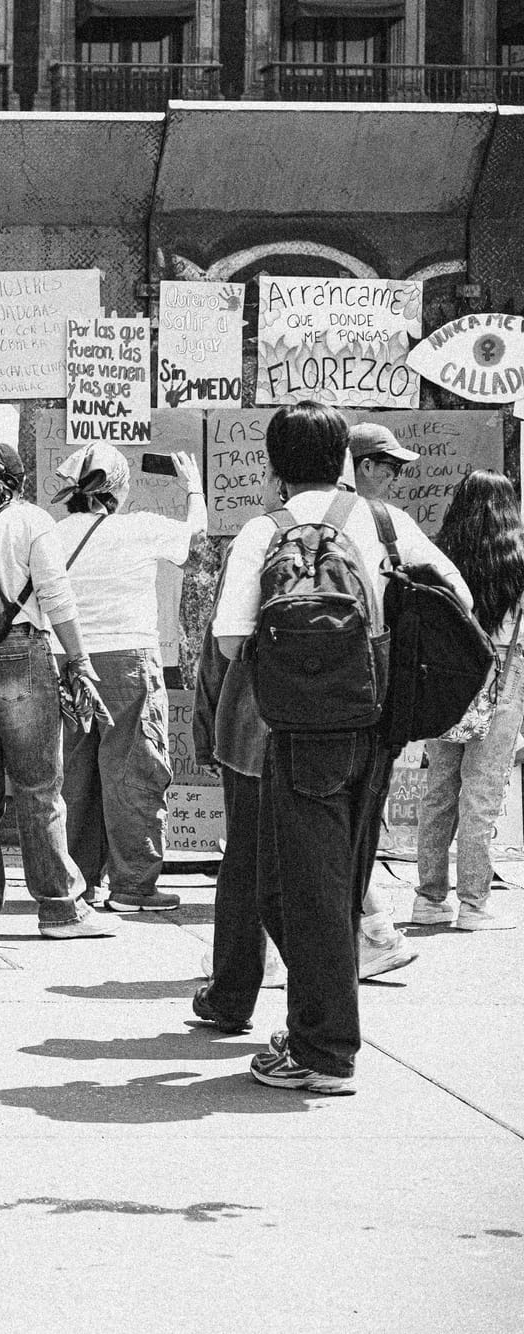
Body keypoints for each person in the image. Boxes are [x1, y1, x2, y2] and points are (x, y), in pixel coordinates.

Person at [206, 402, 468, 1095]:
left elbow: (231, 640)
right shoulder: (386, 523)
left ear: (275, 463)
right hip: (376, 727)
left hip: (298, 732)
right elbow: (457, 598)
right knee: (336, 883)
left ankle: (323, 1052)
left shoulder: (266, 531)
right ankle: (324, 1028)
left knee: (299, 888)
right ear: (344, 458)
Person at [0, 443, 116, 940]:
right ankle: (59, 908)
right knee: (37, 787)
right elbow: (55, 596)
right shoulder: (31, 521)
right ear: (20, 479)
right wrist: (79, 661)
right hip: (15, 658)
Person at [49, 443, 207, 913]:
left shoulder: (52, 535)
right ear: (118, 488)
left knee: (75, 772)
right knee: (134, 769)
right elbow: (194, 538)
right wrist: (193, 488)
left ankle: (80, 882)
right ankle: (134, 885)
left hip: (65, 659)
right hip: (127, 660)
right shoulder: (139, 528)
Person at [330, 421, 422, 974]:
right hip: (374, 692)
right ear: (363, 466)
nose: (392, 477)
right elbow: (453, 594)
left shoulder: (295, 519)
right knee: (356, 817)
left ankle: (374, 933)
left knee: (322, 821)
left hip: (307, 695)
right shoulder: (389, 524)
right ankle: (377, 933)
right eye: (387, 466)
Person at [415, 470, 524, 932]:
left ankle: (428, 897)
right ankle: (474, 905)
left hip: (447, 675)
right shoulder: (518, 561)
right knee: (481, 794)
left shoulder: (440, 555)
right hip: (504, 671)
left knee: (439, 789)